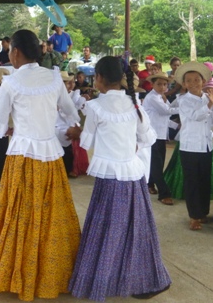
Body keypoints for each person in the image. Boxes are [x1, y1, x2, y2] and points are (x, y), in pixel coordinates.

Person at [0, 29, 81, 301]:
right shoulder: (54, 77)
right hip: (50, 154)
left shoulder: (11, 82)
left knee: (19, 211)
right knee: (51, 211)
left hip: (22, 155)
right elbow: (71, 113)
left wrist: (12, 129)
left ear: (16, 52)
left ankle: (17, 272)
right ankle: (51, 271)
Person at [67, 56, 170, 301]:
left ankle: (104, 281)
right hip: (133, 177)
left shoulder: (95, 106)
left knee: (107, 230)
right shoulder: (135, 104)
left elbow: (86, 142)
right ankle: (146, 279)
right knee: (136, 229)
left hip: (110, 177)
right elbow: (148, 138)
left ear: (99, 78)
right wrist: (131, 145)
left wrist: (76, 132)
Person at [174, 62, 213, 231]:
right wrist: (210, 104)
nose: (194, 83)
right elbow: (196, 116)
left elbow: (210, 119)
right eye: (189, 80)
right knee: (192, 182)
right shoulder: (183, 100)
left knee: (204, 180)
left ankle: (203, 212)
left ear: (203, 81)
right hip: (190, 147)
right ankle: (194, 216)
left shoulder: (206, 98)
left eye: (197, 79)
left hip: (206, 146)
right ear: (184, 84)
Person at [142, 72, 179, 205]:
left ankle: (150, 184)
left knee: (158, 162)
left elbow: (165, 116)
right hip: (153, 135)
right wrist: (186, 107)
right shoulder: (152, 97)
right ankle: (164, 193)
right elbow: (167, 111)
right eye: (159, 84)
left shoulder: (161, 97)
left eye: (165, 84)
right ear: (152, 84)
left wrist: (176, 126)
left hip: (161, 135)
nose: (162, 87)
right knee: (157, 165)